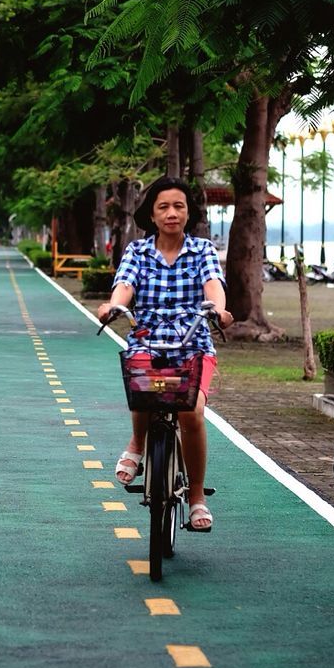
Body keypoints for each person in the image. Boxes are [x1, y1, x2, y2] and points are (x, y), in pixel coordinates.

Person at [96, 176, 233, 532]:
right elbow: (124, 285)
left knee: (192, 414)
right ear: (152, 215)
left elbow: (213, 285)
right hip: (148, 340)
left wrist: (218, 309)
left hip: (193, 342)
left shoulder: (202, 250)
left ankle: (197, 496)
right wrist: (113, 307)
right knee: (140, 384)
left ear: (188, 212)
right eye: (163, 207)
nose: (172, 213)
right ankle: (137, 443)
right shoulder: (137, 252)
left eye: (179, 206)